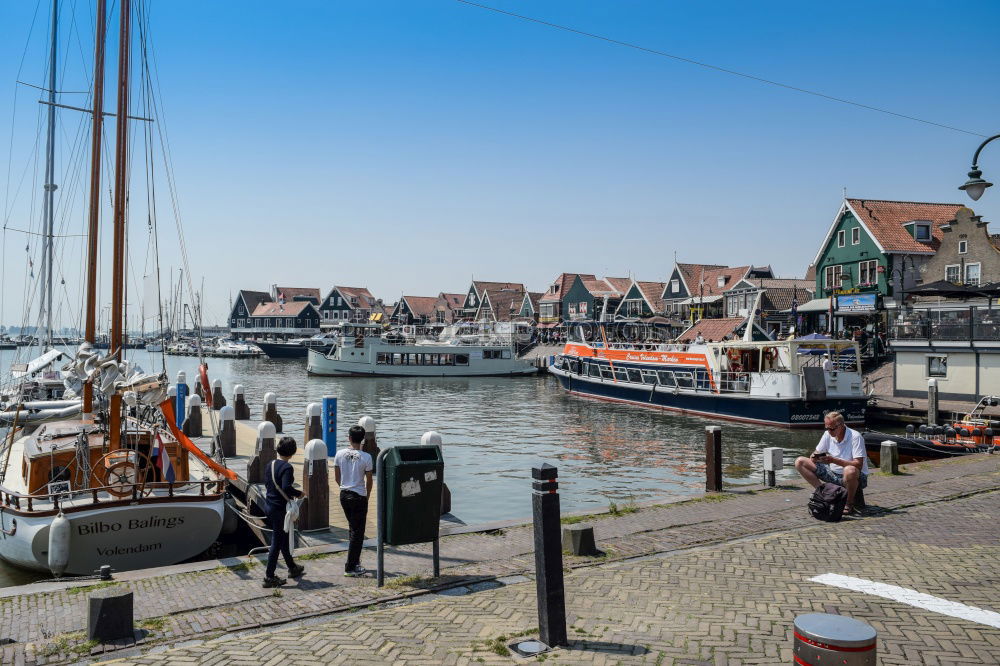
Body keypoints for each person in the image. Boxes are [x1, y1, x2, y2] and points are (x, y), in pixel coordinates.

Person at [794, 411, 869, 515]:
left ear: (841, 425)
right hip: (832, 473)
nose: (829, 431)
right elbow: (816, 452)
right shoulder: (827, 434)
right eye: (827, 428)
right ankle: (825, 494)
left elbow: (858, 464)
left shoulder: (855, 437)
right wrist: (815, 457)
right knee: (800, 461)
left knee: (849, 470)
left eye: (832, 429)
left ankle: (849, 503)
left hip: (855, 476)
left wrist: (834, 460)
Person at [263, 436, 305, 588]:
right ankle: (269, 576)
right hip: (280, 509)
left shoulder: (270, 464)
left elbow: (268, 484)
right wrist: (299, 493)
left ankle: (292, 567)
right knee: (276, 541)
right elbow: (286, 487)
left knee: (283, 538)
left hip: (269, 505)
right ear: (292, 452)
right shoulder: (287, 468)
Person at [334, 425, 374, 577]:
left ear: (349, 438)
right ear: (362, 439)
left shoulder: (339, 454)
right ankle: (350, 567)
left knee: (353, 529)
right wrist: (367, 496)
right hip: (359, 496)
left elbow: (337, 478)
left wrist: (345, 487)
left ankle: (355, 561)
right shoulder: (367, 457)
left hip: (344, 494)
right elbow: (369, 481)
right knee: (358, 532)